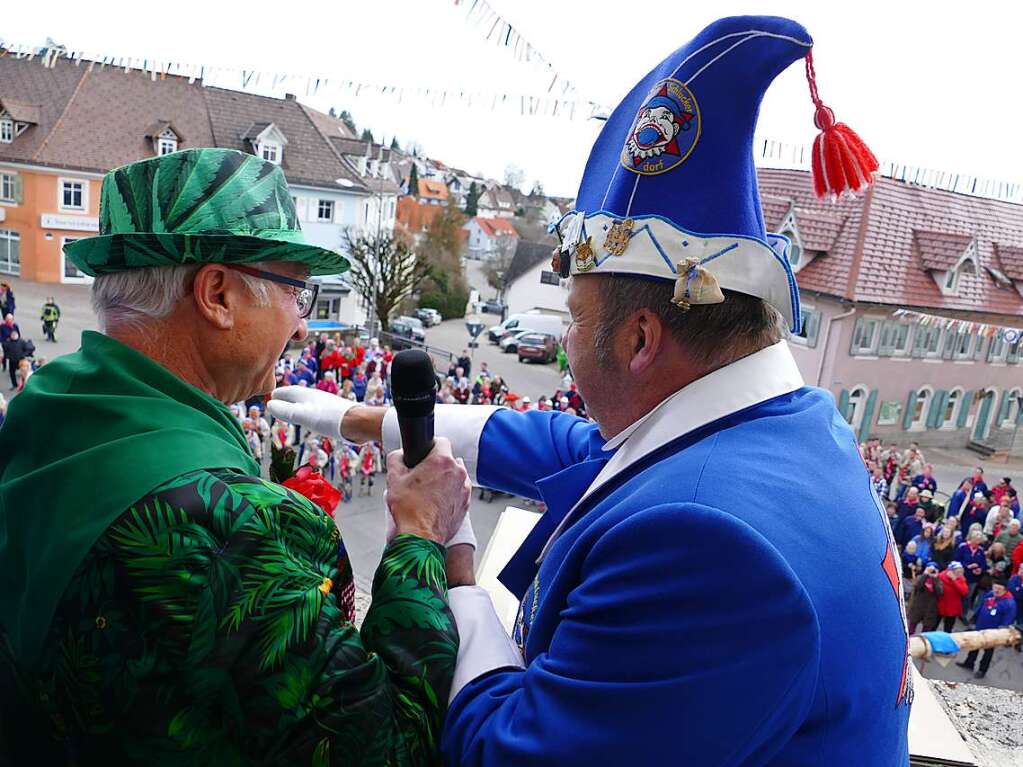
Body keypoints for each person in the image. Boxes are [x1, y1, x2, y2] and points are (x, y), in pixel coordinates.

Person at [272, 17, 911, 763]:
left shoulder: (708, 542)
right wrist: (357, 418)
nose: (566, 344)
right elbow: (573, 449)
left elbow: (510, 752)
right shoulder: (781, 424)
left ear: (641, 339)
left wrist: (456, 570)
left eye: (573, 322)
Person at [0, 148, 475, 765]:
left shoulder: (40, 414)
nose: (303, 327)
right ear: (217, 294)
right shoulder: (227, 525)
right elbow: (388, 745)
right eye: (295, 293)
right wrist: (420, 535)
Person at [955, 580, 1018, 679]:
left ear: (1005, 590)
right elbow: (980, 607)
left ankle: (982, 670)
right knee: (974, 645)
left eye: (999, 589)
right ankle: (969, 663)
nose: (996, 590)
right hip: (980, 626)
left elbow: (1008, 620)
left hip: (993, 632)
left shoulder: (1010, 603)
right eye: (994, 587)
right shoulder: (990, 594)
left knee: (988, 652)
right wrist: (973, 620)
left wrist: (1001, 633)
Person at [906, 561, 943, 635]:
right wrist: (925, 574)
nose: (931, 571)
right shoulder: (921, 577)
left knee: (926, 631)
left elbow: (940, 592)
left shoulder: (938, 580)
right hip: (918, 605)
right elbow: (917, 586)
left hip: (930, 607)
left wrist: (935, 578)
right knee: (912, 627)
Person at [937, 562, 969, 633]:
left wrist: (954, 580)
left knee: (948, 628)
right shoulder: (941, 576)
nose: (960, 573)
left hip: (952, 608)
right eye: (958, 571)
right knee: (933, 625)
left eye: (961, 571)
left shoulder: (961, 579)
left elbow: (964, 592)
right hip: (940, 605)